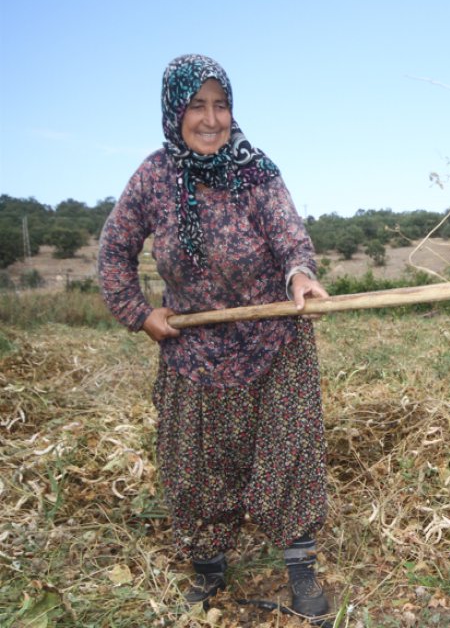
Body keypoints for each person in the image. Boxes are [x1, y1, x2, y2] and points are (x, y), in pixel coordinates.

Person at [98, 54, 330, 618]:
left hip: (272, 339)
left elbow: (289, 237)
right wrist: (138, 311)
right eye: (197, 106)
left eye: (220, 105)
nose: (211, 119)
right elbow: (113, 252)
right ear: (174, 113)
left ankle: (300, 569)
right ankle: (208, 569)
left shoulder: (256, 170)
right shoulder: (154, 177)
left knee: (290, 451)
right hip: (191, 350)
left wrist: (300, 274)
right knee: (197, 466)